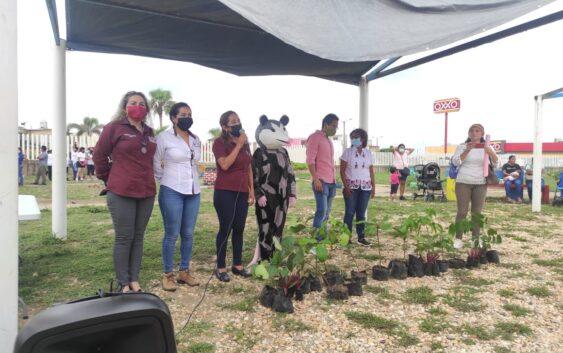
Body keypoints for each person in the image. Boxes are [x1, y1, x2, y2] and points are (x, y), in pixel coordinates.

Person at [94, 91, 157, 293]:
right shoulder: (114, 128)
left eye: (141, 103)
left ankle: (134, 279)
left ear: (146, 109)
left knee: (138, 237)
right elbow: (99, 155)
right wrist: (108, 178)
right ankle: (123, 283)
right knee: (124, 237)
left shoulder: (149, 132)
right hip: (121, 191)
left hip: (146, 191)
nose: (137, 106)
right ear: (124, 107)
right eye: (133, 103)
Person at [154, 102, 201, 291]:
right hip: (172, 189)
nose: (187, 117)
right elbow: (156, 162)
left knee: (188, 234)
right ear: (173, 118)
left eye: (189, 114)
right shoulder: (164, 138)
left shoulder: (195, 138)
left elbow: (194, 163)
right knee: (172, 234)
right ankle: (168, 275)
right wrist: (163, 180)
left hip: (193, 191)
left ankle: (184, 272)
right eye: (182, 114)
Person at [212, 110, 255, 282]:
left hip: (242, 192)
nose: (237, 123)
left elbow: (248, 167)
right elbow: (224, 165)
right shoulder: (219, 143)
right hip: (224, 192)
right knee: (226, 228)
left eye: (238, 120)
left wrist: (251, 189)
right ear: (225, 127)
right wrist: (238, 145)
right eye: (233, 122)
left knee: (239, 228)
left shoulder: (244, 143)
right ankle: (220, 267)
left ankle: (238, 265)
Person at [451, 123, 498, 244]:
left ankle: (475, 239)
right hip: (463, 182)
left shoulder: (487, 147)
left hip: (480, 183)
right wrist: (467, 150)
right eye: (471, 130)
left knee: (477, 213)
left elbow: (496, 163)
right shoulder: (462, 146)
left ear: (482, 133)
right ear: (468, 133)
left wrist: (491, 153)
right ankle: (458, 239)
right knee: (462, 212)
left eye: (477, 131)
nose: (474, 133)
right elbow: (456, 162)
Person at [340, 128, 374, 246]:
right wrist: (346, 186)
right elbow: (342, 171)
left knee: (361, 213)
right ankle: (346, 238)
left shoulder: (368, 153)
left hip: (365, 188)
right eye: (352, 137)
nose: (354, 139)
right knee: (349, 213)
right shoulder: (347, 152)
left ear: (363, 138)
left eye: (357, 137)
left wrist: (373, 186)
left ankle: (361, 237)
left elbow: (371, 171)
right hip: (351, 188)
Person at [306, 113, 339, 236]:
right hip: (321, 181)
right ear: (326, 124)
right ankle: (316, 238)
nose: (335, 129)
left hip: (331, 182)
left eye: (337, 127)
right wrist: (316, 180)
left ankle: (323, 235)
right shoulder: (315, 138)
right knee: (321, 211)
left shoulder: (328, 141)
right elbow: (310, 161)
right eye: (334, 126)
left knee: (327, 212)